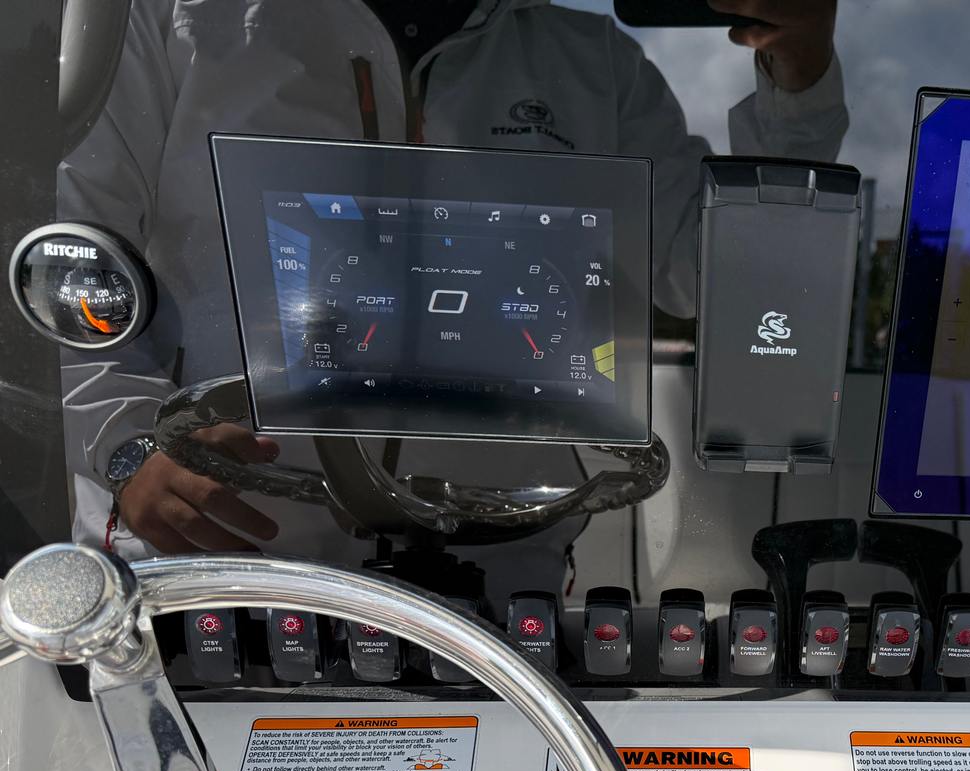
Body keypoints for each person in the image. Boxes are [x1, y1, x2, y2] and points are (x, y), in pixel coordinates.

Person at [58, 0, 846, 556]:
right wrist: (126, 448)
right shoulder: (177, 19)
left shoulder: (597, 67)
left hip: (495, 581)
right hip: (214, 560)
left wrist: (798, 79)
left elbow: (734, 287)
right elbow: (60, 260)